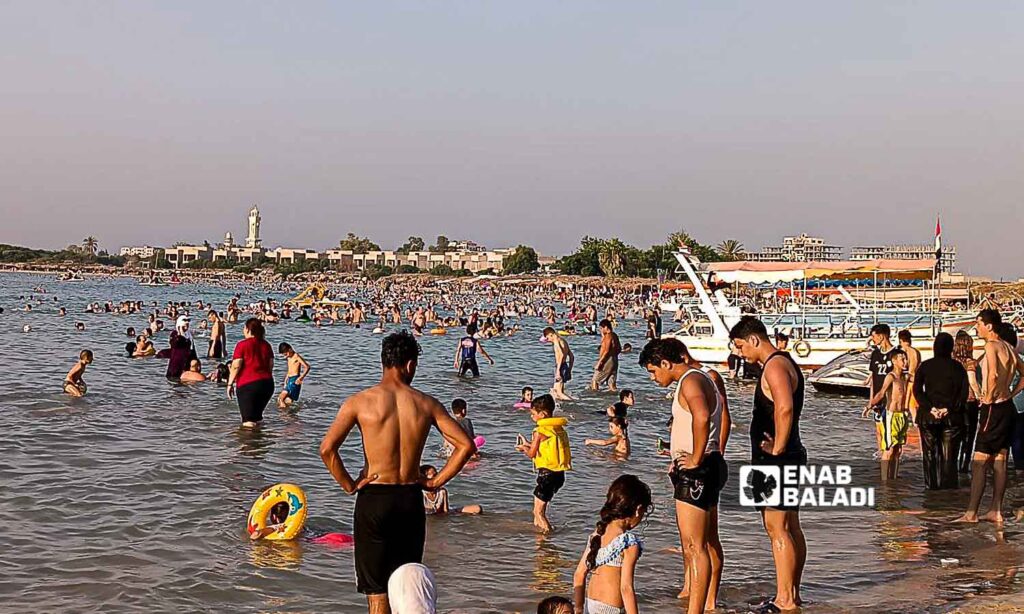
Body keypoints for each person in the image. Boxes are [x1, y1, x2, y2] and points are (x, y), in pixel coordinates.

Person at [319, 331, 475, 614]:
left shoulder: (359, 402)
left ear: (383, 362)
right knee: (406, 589)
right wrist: (434, 481)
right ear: (411, 365)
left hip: (374, 500)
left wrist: (350, 485)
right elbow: (465, 446)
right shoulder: (426, 403)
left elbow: (327, 449)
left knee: (377, 592)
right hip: (409, 500)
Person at [639, 337, 727, 613]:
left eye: (654, 371)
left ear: (666, 363)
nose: (654, 378)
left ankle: (695, 610)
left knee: (694, 546)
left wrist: (696, 458)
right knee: (709, 541)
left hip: (698, 470)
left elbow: (701, 416)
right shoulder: (703, 377)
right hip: (707, 465)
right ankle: (709, 603)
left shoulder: (689, 380)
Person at [729, 316, 806, 613]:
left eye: (740, 346)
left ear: (754, 340)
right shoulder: (784, 362)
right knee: (790, 527)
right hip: (789, 455)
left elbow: (785, 407)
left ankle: (785, 599)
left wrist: (778, 448)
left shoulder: (774, 365)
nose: (740, 353)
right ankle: (792, 595)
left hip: (776, 460)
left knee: (777, 528)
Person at [955, 310, 1024, 523]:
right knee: (1000, 460)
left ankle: (971, 513)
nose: (976, 328)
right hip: (1007, 407)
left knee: (979, 462)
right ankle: (996, 510)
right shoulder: (1010, 349)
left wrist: (988, 397)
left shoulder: (991, 346)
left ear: (989, 326)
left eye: (978, 324)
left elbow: (993, 374)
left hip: (993, 407)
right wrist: (1011, 393)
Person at [571, 475, 652, 614]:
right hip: (612, 610)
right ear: (638, 509)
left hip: (589, 606)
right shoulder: (628, 542)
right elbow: (626, 588)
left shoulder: (597, 534)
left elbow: (579, 574)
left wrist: (578, 609)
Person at [915, 332, 968, 491]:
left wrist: (930, 408)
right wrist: (948, 408)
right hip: (952, 417)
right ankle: (949, 492)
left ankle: (931, 489)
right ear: (951, 347)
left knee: (930, 456)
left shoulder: (925, 366)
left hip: (928, 416)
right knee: (949, 457)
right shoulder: (957, 367)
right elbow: (963, 393)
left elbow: (917, 391)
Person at [516, 393, 572, 533]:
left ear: (542, 414)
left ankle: (548, 538)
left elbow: (532, 454)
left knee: (538, 512)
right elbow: (545, 449)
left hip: (546, 476)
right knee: (537, 511)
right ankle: (539, 540)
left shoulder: (539, 432)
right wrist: (528, 443)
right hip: (559, 475)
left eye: (533, 413)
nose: (532, 416)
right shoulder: (558, 429)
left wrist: (523, 448)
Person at [866, 349, 909, 481]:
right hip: (892, 416)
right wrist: (870, 405)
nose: (905, 361)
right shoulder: (891, 377)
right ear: (894, 361)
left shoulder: (905, 377)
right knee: (889, 449)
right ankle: (885, 480)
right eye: (902, 359)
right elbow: (881, 393)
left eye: (905, 358)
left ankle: (894, 477)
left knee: (898, 450)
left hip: (902, 415)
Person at [227, 318, 275, 428]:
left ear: (248, 329)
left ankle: (249, 444)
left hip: (248, 385)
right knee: (257, 419)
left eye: (244, 328)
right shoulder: (266, 345)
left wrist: (230, 384)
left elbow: (236, 366)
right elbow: (270, 365)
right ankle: (260, 443)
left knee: (248, 422)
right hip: (267, 384)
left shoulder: (242, 345)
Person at [953, 330, 982, 473]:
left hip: (954, 402)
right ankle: (964, 465)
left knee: (957, 434)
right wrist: (980, 396)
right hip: (969, 401)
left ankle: (953, 464)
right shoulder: (969, 362)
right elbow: (972, 381)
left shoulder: (952, 362)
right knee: (969, 435)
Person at [865, 324, 896, 451]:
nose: (872, 339)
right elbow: (873, 378)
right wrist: (871, 401)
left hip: (890, 398)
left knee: (889, 432)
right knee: (879, 431)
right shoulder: (875, 354)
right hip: (878, 398)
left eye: (874, 336)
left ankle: (890, 457)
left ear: (882, 336)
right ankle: (881, 456)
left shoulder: (896, 354)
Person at [542, 327, 575, 401]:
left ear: (551, 334)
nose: (548, 340)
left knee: (558, 392)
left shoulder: (556, 341)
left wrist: (558, 371)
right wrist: (569, 369)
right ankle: (560, 409)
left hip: (561, 367)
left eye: (547, 338)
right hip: (565, 366)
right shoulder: (563, 341)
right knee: (557, 393)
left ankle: (574, 403)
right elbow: (572, 357)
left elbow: (561, 355)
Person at [591, 319, 622, 392]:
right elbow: (619, 349)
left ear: (606, 327)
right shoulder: (614, 335)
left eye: (601, 328)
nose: (600, 330)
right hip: (614, 360)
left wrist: (600, 362)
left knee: (595, 381)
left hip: (607, 360)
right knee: (611, 384)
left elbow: (606, 350)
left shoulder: (608, 336)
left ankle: (594, 398)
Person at [898, 330, 922, 423]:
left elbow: (912, 371)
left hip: (911, 382)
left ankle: (915, 428)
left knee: (911, 408)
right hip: (916, 381)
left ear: (900, 340)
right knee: (913, 408)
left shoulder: (909, 352)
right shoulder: (915, 351)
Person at [277, 342, 310, 409]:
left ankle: (284, 416)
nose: (285, 356)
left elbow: (307, 367)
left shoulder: (296, 356)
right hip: (289, 379)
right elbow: (290, 370)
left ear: (290, 349)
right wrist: (286, 379)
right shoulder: (289, 357)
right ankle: (289, 416)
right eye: (284, 355)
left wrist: (301, 378)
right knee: (286, 400)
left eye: (286, 354)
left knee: (281, 399)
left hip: (295, 380)